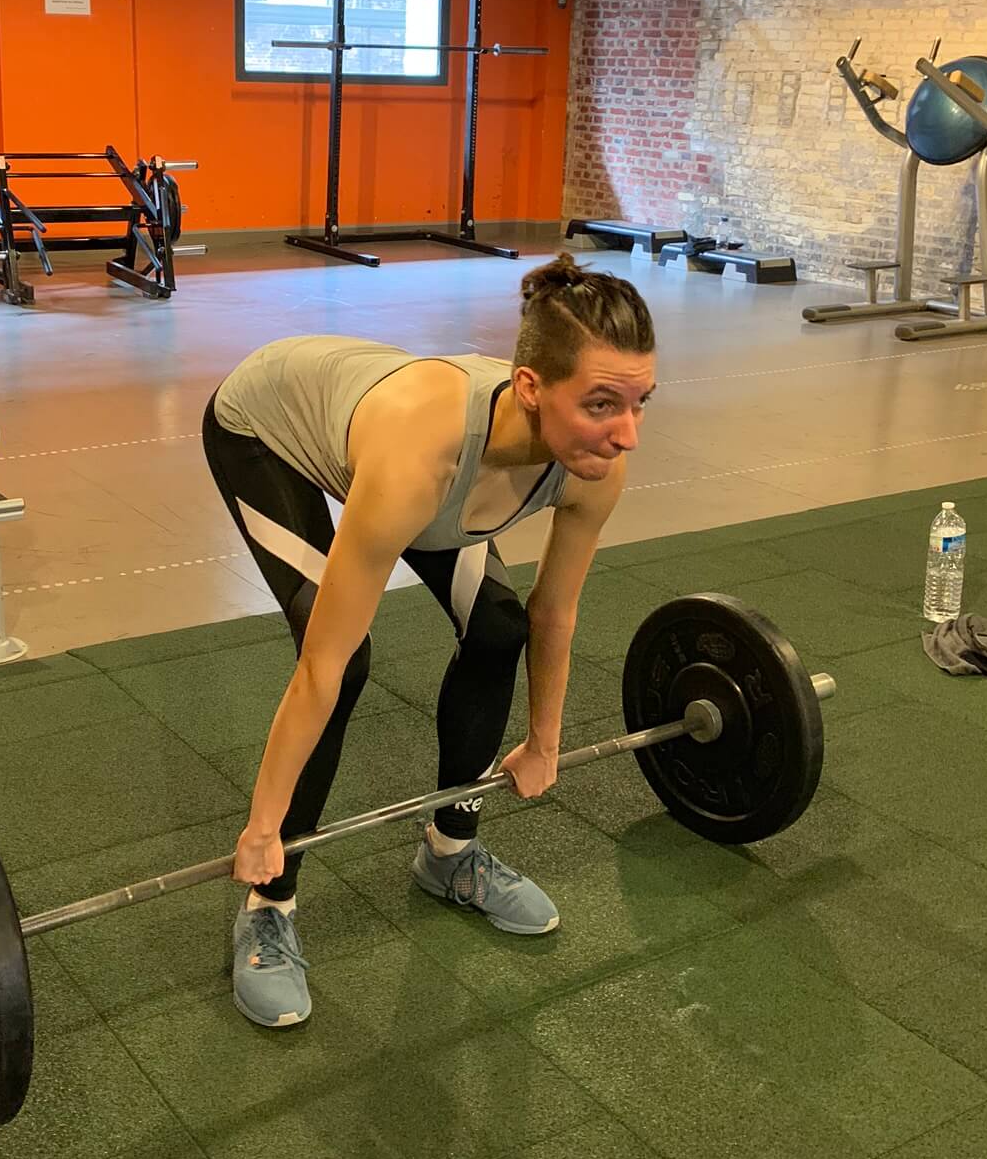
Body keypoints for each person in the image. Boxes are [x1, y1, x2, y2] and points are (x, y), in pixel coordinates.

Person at [202, 253, 656, 1027]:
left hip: (397, 431)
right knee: (345, 662)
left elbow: (551, 614)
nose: (628, 434)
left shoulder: (593, 463)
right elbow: (320, 667)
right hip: (265, 428)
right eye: (604, 404)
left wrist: (543, 741)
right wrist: (261, 828)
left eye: (642, 401)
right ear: (530, 389)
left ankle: (450, 854)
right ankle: (268, 902)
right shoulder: (419, 457)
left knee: (497, 626)